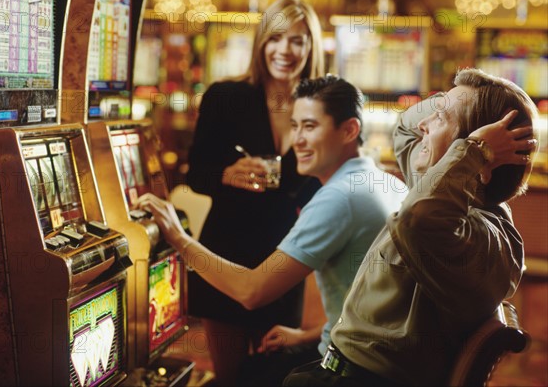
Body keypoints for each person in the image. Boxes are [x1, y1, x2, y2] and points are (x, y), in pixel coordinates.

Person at [140, 75, 408, 385]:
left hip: (348, 371)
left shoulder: (339, 198)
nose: (298, 140)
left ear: (349, 130)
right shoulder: (382, 180)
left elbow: (251, 291)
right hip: (374, 357)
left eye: (310, 127)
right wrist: (307, 335)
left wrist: (178, 237)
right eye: (294, 126)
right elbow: (365, 297)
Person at [282, 68, 539, 387]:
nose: (423, 124)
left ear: (478, 157)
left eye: (440, 118)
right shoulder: (450, 196)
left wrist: (476, 148)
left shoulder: (475, 233)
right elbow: (404, 128)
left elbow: (415, 221)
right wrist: (454, 101)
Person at [180, 0, 326, 384]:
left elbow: (322, 187)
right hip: (225, 252)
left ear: (312, 47)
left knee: (274, 374)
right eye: (276, 37)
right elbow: (195, 174)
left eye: (298, 40)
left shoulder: (320, 108)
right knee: (229, 378)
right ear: (261, 42)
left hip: (285, 260)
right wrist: (226, 174)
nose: (285, 50)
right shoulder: (225, 97)